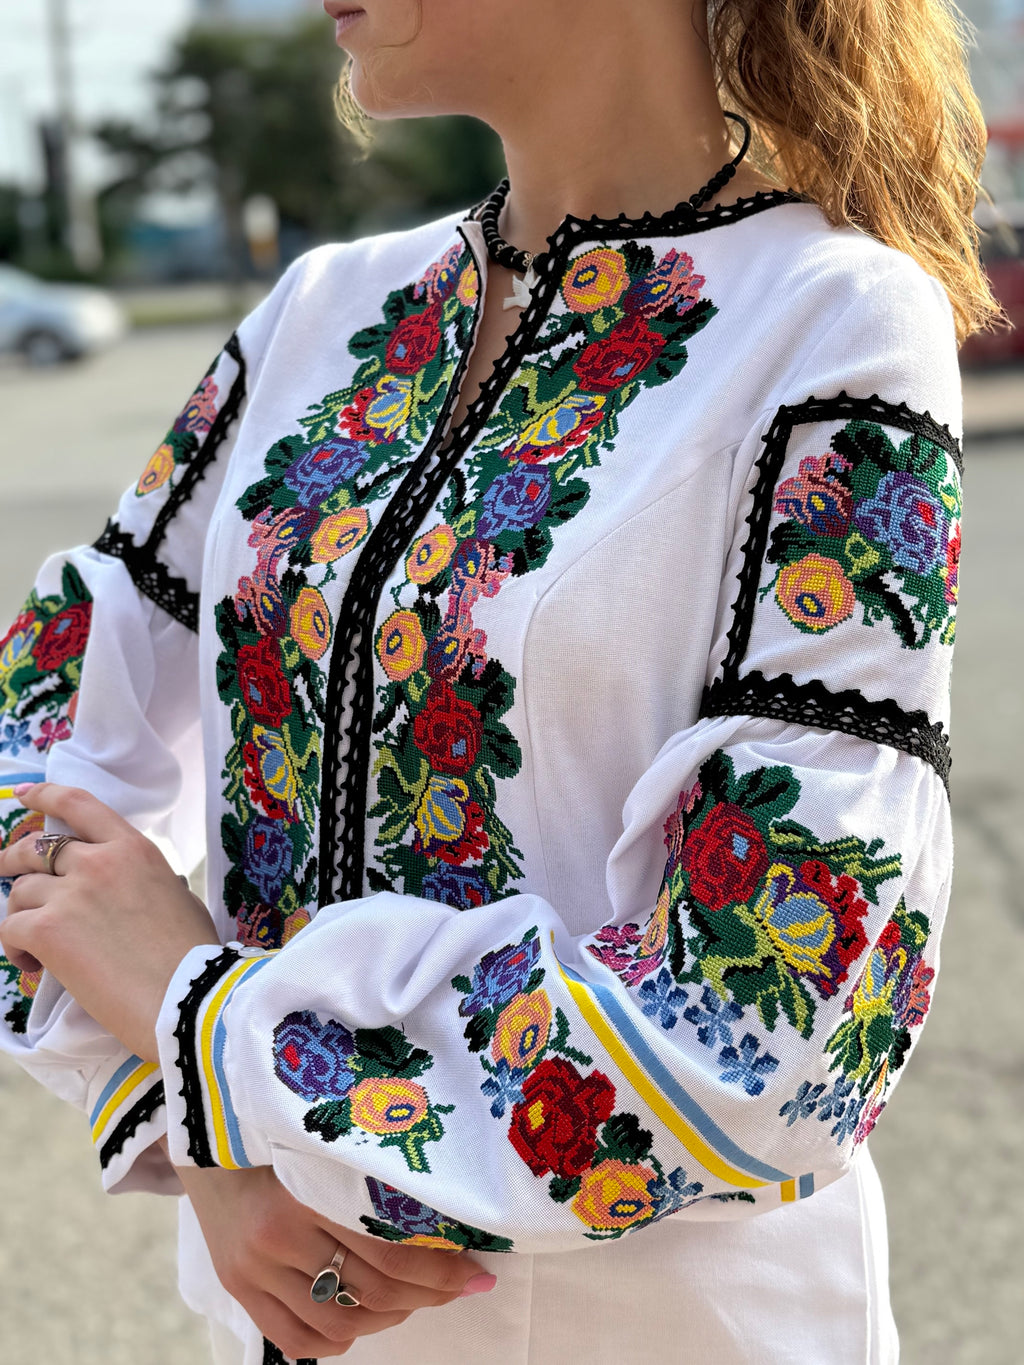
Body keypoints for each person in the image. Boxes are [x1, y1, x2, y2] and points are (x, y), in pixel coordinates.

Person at [0, 0, 1002, 1361]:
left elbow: (781, 1023)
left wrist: (213, 1021)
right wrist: (207, 1129)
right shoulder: (321, 316)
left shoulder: (832, 325)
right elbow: (35, 734)